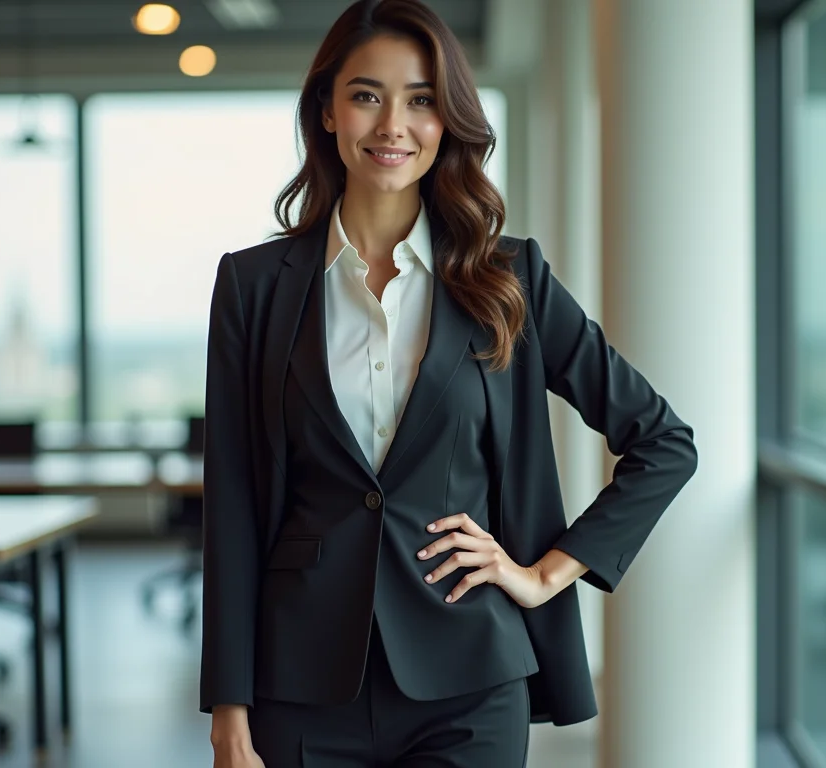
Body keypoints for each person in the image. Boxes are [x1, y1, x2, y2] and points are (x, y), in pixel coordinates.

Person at [201, 1, 697, 766]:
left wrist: (544, 574)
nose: (392, 125)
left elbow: (662, 441)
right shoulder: (253, 287)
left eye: (421, 100)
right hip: (299, 685)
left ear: (447, 120)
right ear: (327, 111)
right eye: (367, 95)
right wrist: (228, 712)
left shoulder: (508, 279)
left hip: (471, 684)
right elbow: (232, 504)